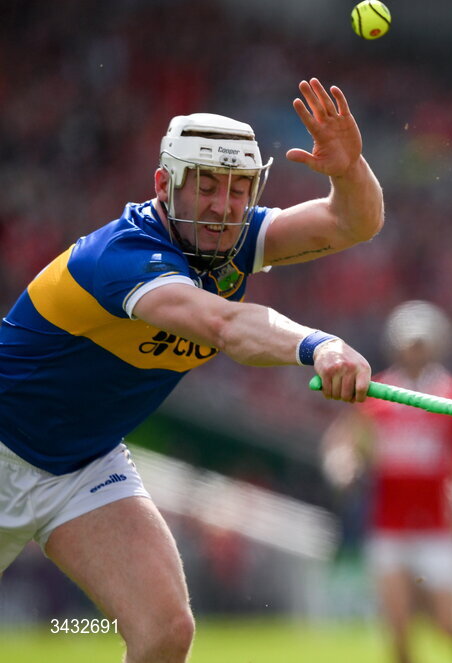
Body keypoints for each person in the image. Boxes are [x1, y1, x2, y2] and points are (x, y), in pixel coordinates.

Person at [0, 78, 383, 663]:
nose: (222, 207)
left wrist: (349, 168)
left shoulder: (234, 238)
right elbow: (227, 327)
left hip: (83, 465)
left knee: (164, 631)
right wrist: (319, 345)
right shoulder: (122, 256)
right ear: (164, 185)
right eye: (204, 187)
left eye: (237, 190)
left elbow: (352, 223)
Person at [321, 301, 452, 663]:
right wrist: (343, 466)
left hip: (436, 523)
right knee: (397, 627)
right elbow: (345, 441)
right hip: (389, 522)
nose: (415, 351)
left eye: (422, 344)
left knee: (449, 623)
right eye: (410, 343)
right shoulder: (376, 392)